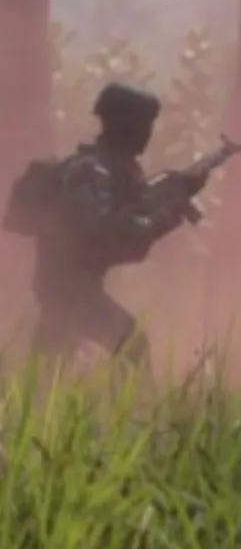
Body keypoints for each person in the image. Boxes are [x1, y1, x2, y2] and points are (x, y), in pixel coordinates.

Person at [21, 82, 202, 368]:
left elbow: (129, 217)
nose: (147, 134)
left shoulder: (114, 170)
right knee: (132, 346)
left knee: (48, 372)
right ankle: (139, 412)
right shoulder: (91, 171)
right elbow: (107, 234)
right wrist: (165, 216)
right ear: (122, 126)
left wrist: (177, 192)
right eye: (142, 125)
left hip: (72, 286)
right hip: (69, 288)